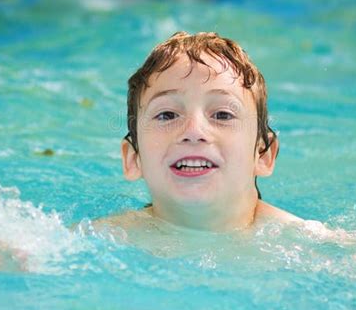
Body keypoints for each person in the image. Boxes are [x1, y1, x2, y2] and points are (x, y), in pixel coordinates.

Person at [96, 31, 304, 237]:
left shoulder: (307, 245)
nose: (194, 131)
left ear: (263, 155)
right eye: (167, 115)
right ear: (133, 159)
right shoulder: (102, 238)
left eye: (222, 115)